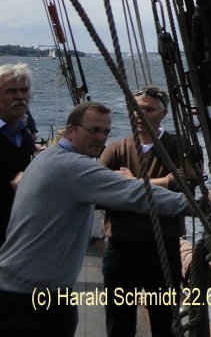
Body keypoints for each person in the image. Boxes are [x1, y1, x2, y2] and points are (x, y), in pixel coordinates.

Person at [0, 101, 189, 337]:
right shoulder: (72, 165)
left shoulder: (47, 157)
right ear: (70, 131)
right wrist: (195, 205)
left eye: (105, 131)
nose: (101, 137)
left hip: (22, 286)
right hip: (34, 296)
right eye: (93, 130)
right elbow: (132, 193)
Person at [100, 86, 186, 337]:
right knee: (119, 322)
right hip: (121, 248)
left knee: (164, 321)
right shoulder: (115, 149)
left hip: (163, 248)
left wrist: (132, 182)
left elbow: (182, 184)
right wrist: (163, 183)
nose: (140, 114)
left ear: (163, 113)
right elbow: (101, 189)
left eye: (148, 109)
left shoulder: (178, 146)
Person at [0, 63, 35, 247]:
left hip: (18, 236)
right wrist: (11, 187)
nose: (20, 96)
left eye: (24, 90)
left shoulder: (24, 135)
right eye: (11, 91)